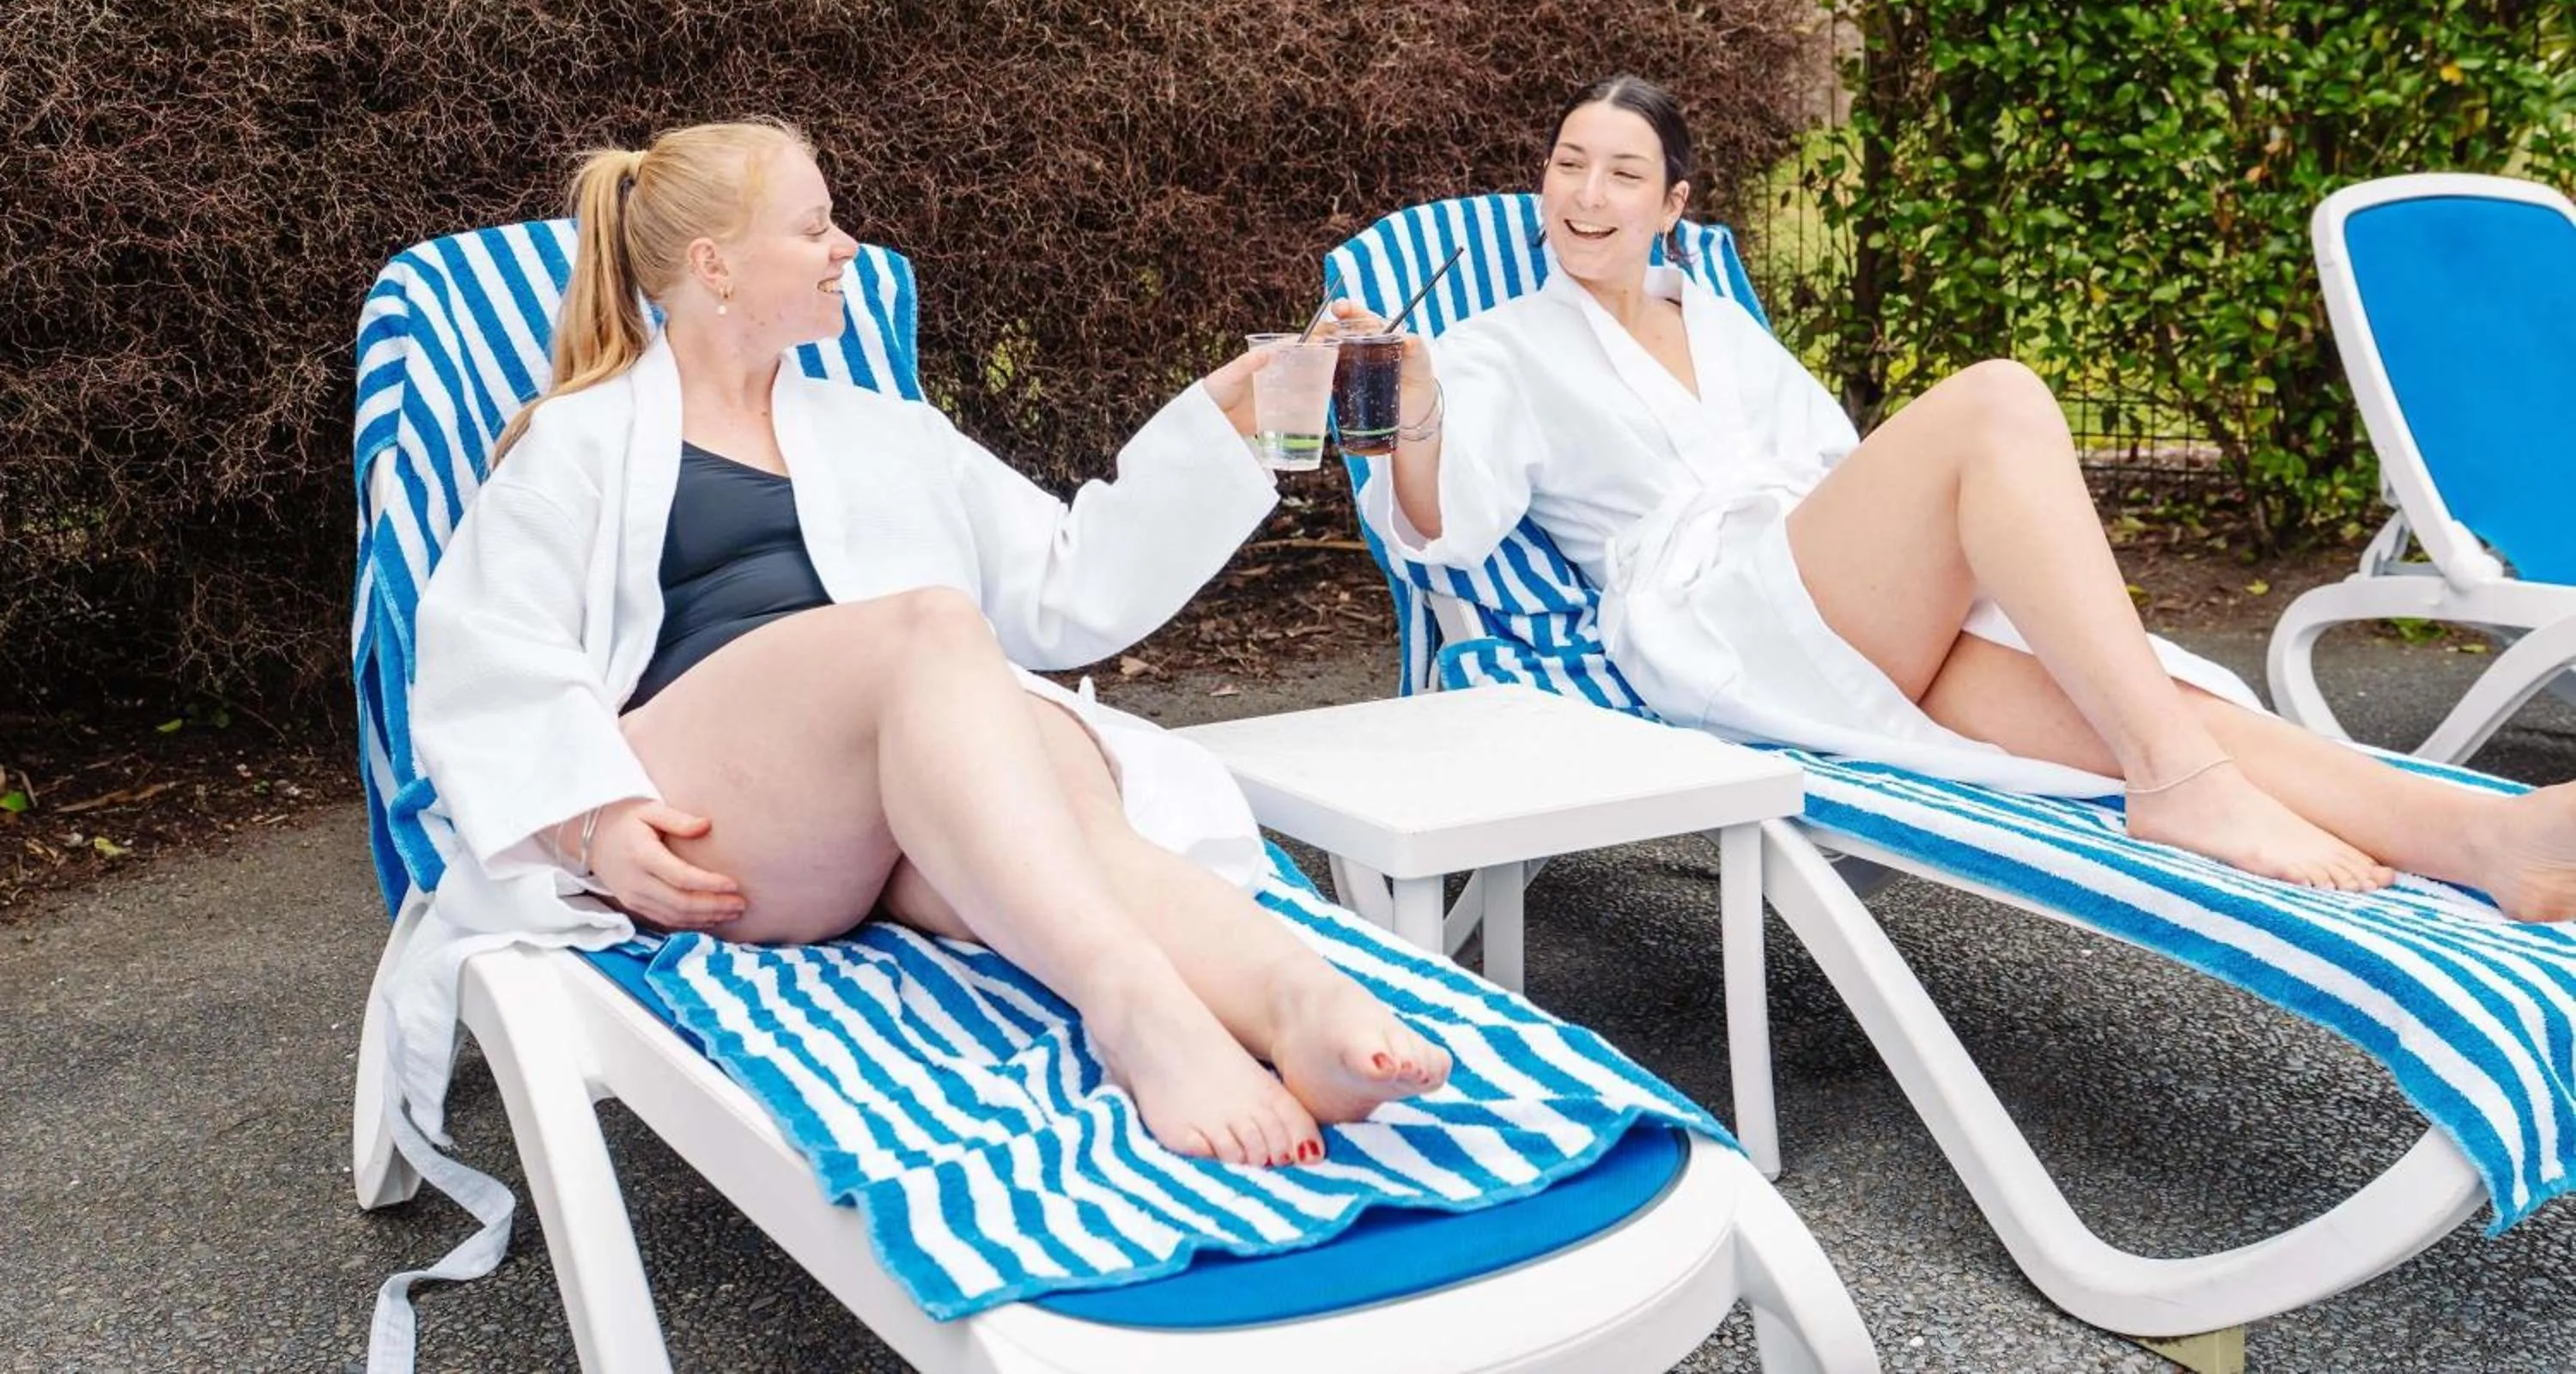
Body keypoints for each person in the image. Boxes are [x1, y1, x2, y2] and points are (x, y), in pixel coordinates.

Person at [403, 119, 1449, 1168]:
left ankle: (1297, 1000)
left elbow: (1068, 581)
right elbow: (487, 652)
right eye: (815, 227)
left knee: (1076, 830)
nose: (847, 248)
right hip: (726, 811)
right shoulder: (581, 442)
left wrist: (1227, 418)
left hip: (896, 800)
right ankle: (1138, 1013)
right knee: (933, 629)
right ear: (713, 265)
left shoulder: (886, 429)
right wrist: (589, 820)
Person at [1346, 75, 2576, 921]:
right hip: (1715, 618)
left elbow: (1829, 472)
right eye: (1569, 164)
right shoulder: (1495, 342)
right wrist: (1406, 400)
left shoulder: (1715, 321)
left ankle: (2490, 844)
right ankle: (2177, 789)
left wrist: (1956, 570)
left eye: (1625, 172)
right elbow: (1447, 528)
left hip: (1835, 601)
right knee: (1997, 400)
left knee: (2147, 710)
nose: (1586, 193)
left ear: (1675, 209)